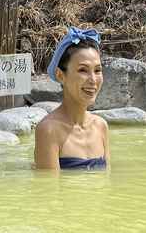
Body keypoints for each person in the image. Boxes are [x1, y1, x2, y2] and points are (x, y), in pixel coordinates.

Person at [34, 28, 110, 171]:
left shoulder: (101, 126)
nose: (93, 80)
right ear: (60, 75)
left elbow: (107, 182)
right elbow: (47, 190)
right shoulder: (49, 130)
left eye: (97, 70)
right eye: (83, 70)